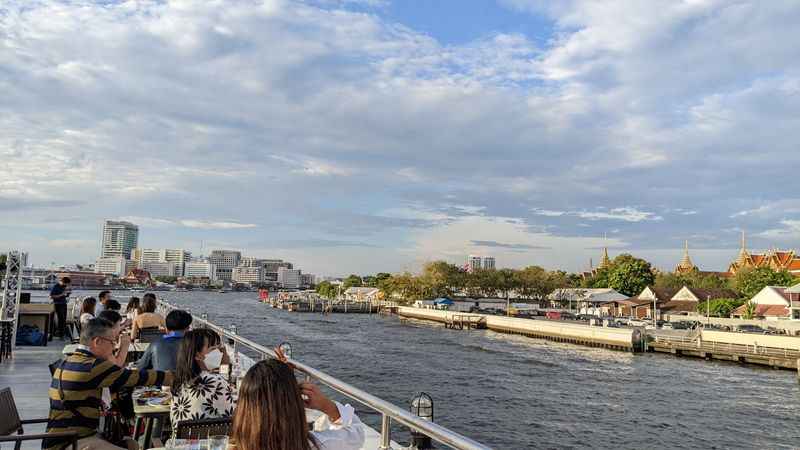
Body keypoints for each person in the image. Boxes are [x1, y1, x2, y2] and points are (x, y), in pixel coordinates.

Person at [44, 318, 172, 450]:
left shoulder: (68, 361)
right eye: (112, 342)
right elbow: (133, 377)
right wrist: (170, 377)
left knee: (132, 444)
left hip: (61, 437)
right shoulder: (93, 366)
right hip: (70, 442)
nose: (114, 346)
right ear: (97, 341)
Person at [231, 355, 365, 450]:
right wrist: (325, 405)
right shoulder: (320, 444)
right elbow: (356, 433)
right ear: (295, 403)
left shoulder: (234, 446)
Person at [169, 329, 234, 434]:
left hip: (181, 444)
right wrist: (225, 366)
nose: (220, 352)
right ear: (198, 355)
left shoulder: (179, 381)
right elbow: (232, 417)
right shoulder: (216, 382)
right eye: (214, 348)